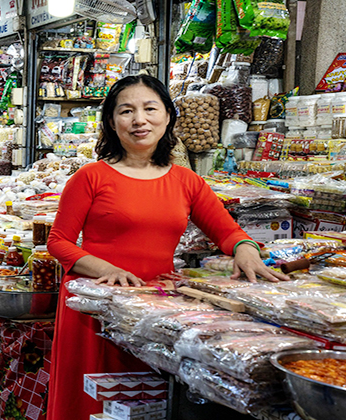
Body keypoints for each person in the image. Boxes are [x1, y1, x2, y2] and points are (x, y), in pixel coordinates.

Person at [45, 75, 289, 420]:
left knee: (145, 402)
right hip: (95, 304)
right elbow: (58, 242)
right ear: (111, 122)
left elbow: (228, 231)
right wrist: (107, 269)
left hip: (153, 309)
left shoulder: (187, 181)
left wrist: (245, 248)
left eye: (150, 109)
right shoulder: (90, 177)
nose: (139, 120)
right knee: (91, 401)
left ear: (168, 116)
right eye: (126, 111)